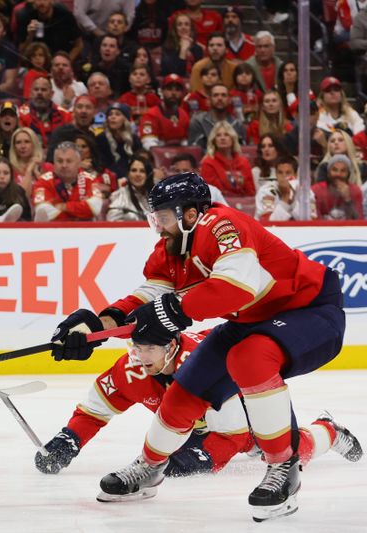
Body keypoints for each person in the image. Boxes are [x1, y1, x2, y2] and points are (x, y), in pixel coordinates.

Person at [49, 171, 351, 522]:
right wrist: (95, 328)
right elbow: (149, 299)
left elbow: (235, 287)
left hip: (309, 310)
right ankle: (150, 467)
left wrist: (171, 309)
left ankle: (284, 467)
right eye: (155, 219)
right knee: (184, 392)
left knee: (249, 357)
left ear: (189, 213)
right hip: (249, 321)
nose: (158, 227)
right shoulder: (171, 249)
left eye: (163, 218)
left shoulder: (222, 224)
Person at [38, 328, 361, 478]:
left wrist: (205, 457)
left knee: (280, 451)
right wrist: (70, 439)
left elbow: (231, 436)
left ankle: (328, 431)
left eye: (150, 349)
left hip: (247, 396)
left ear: (173, 347)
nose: (140, 356)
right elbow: (95, 411)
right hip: (200, 419)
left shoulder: (206, 369)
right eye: (137, 347)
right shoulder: (131, 368)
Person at [32, 141, 105, 221]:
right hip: (53, 231)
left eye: (69, 161)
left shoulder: (91, 180)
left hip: (84, 231)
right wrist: (81, 210)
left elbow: (95, 208)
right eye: (59, 161)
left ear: (79, 163)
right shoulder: (43, 182)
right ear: (54, 163)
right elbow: (42, 211)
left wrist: (64, 207)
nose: (64, 165)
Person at [15, 0, 83, 63]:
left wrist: (64, 63)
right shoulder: (25, 16)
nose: (41, 3)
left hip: (61, 59)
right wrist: (30, 36)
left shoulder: (64, 14)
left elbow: (79, 45)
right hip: (37, 63)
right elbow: (21, 52)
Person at [200, 121, 255, 197]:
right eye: (218, 135)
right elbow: (211, 193)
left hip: (244, 205)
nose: (222, 138)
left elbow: (251, 192)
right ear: (214, 140)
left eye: (226, 135)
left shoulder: (243, 162)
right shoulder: (208, 163)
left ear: (232, 139)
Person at [255, 156, 317, 221]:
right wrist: (285, 198)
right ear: (276, 174)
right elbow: (267, 222)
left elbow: (312, 221)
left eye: (288, 173)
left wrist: (293, 202)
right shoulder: (266, 191)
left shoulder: (306, 192)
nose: (284, 177)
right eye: (280, 172)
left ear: (295, 175)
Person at [18, 77, 73, 149]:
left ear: (51, 94)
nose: (39, 93)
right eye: (36, 89)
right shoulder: (20, 114)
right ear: (30, 93)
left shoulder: (65, 115)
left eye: (43, 90)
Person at [140, 74, 191, 150]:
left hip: (180, 156)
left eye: (177, 90)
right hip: (158, 158)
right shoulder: (151, 115)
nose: (173, 93)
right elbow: (149, 145)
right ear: (162, 91)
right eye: (169, 89)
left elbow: (186, 142)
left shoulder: (184, 115)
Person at [96, 102, 142, 180]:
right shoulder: (101, 138)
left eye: (117, 114)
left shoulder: (134, 139)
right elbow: (100, 163)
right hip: (107, 177)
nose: (113, 117)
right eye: (110, 114)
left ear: (125, 119)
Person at [312, 154, 365, 220]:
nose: (338, 174)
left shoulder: (355, 191)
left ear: (348, 174)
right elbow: (313, 219)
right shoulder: (316, 190)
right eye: (334, 170)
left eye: (343, 171)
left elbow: (359, 222)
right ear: (328, 173)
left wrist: (348, 199)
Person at [105, 155, 154, 221]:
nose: (137, 174)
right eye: (134, 170)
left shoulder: (154, 195)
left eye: (142, 171)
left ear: (148, 175)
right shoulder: (120, 195)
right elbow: (112, 220)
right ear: (128, 174)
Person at [160, 12, 204, 78]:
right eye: (179, 24)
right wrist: (183, 51)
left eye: (186, 24)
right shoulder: (168, 48)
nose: (183, 27)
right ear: (175, 29)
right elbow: (176, 74)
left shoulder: (198, 49)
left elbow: (200, 73)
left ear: (191, 28)